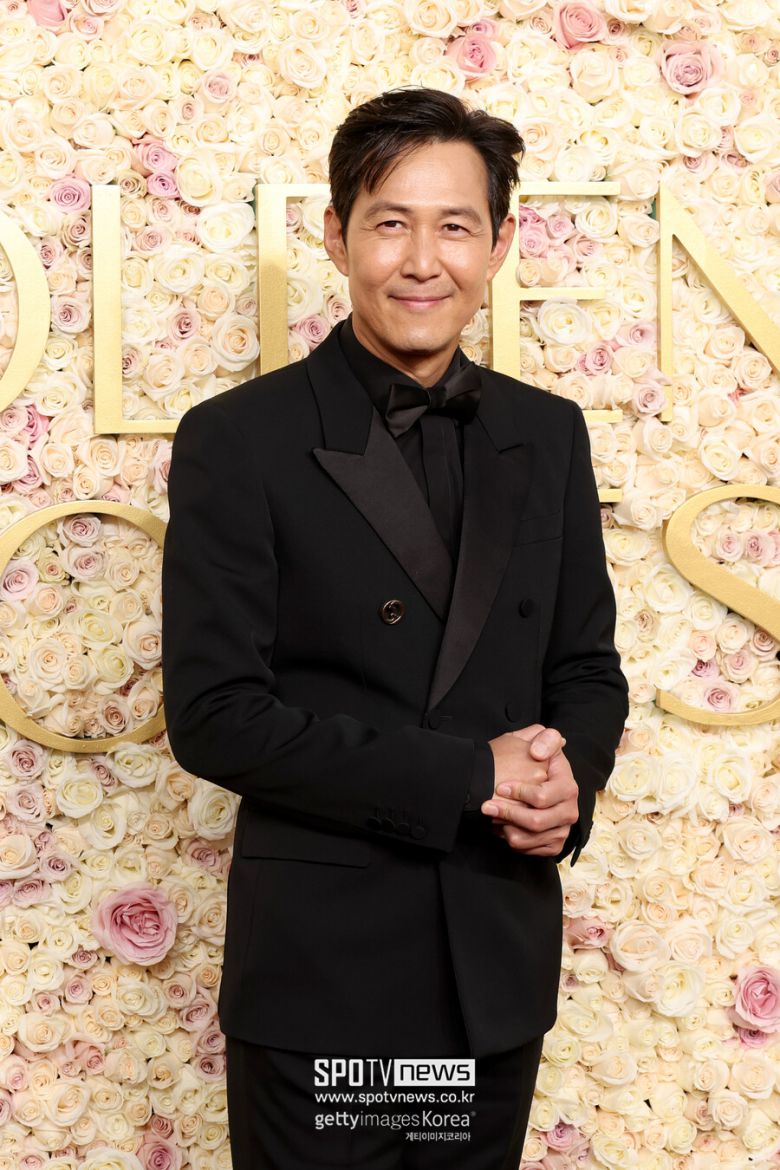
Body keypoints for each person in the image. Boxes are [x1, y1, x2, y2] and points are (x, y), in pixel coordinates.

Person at [161, 87, 629, 1170]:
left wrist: (569, 784)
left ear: (499, 245)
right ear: (337, 236)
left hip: (493, 963)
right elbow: (215, 715)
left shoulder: (548, 433)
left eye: (456, 226)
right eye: (390, 223)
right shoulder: (241, 438)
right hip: (325, 974)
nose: (424, 261)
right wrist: (469, 775)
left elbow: (586, 667)